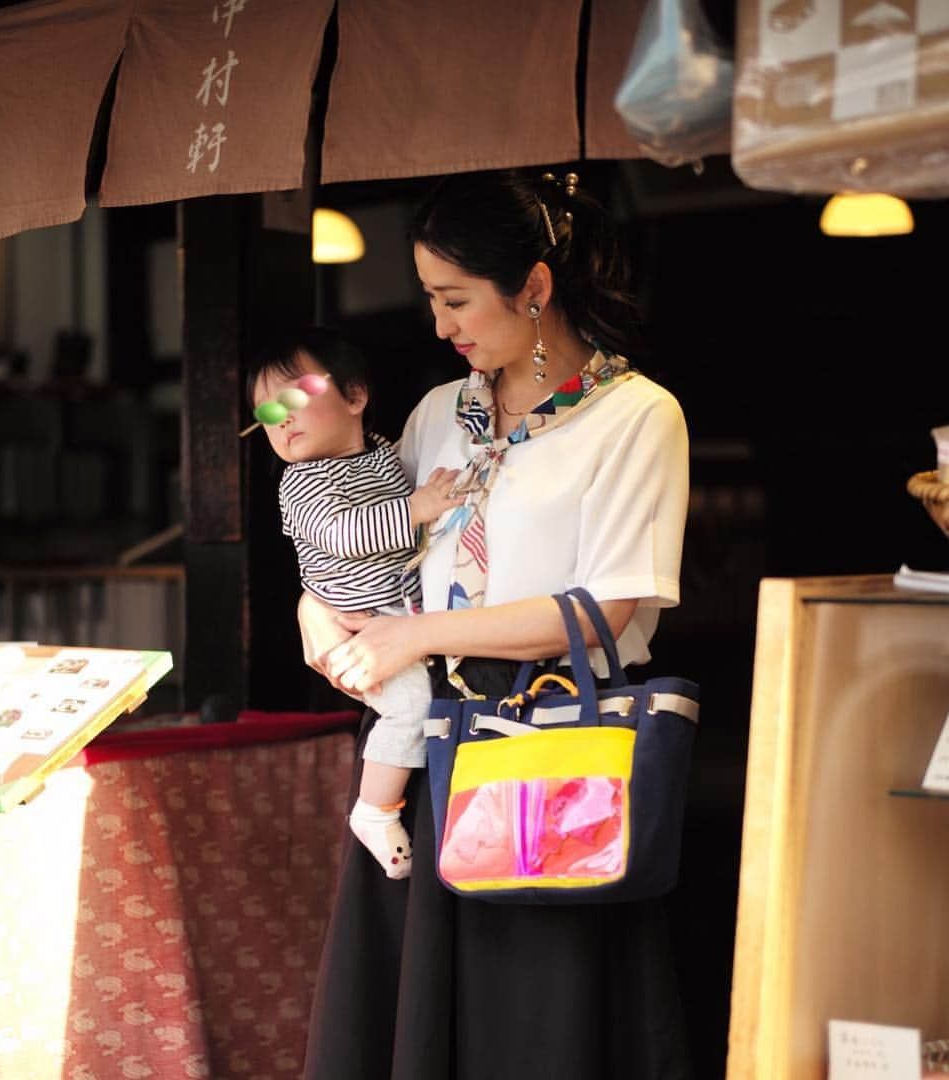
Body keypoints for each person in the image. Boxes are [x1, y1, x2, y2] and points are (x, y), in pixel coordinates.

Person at [298, 168, 694, 1079]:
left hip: (556, 753)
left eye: (456, 299)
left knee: (539, 1030)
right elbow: (362, 543)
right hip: (433, 754)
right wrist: (316, 609)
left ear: (536, 287)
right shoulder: (441, 411)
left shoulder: (636, 417)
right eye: (431, 299)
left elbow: (605, 613)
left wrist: (414, 639)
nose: (440, 326)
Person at [248, 327, 461, 878]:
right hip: (367, 629)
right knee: (410, 703)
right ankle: (374, 809)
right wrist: (419, 506)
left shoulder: (381, 454)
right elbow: (346, 534)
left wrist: (426, 495)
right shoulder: (300, 483)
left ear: (354, 397)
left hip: (399, 619)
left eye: (295, 398)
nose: (282, 418)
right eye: (268, 412)